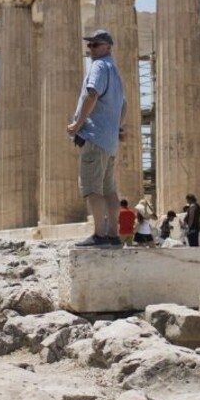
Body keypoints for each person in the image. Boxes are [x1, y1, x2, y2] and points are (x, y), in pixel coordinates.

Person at [67, 29, 126, 248]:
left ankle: (99, 235)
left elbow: (92, 94)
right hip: (109, 142)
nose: (90, 48)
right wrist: (117, 128)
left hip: (94, 137)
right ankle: (113, 235)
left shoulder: (100, 66)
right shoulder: (115, 70)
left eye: (95, 44)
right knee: (109, 190)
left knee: (92, 188)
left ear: (107, 47)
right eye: (89, 45)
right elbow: (124, 104)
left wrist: (77, 123)